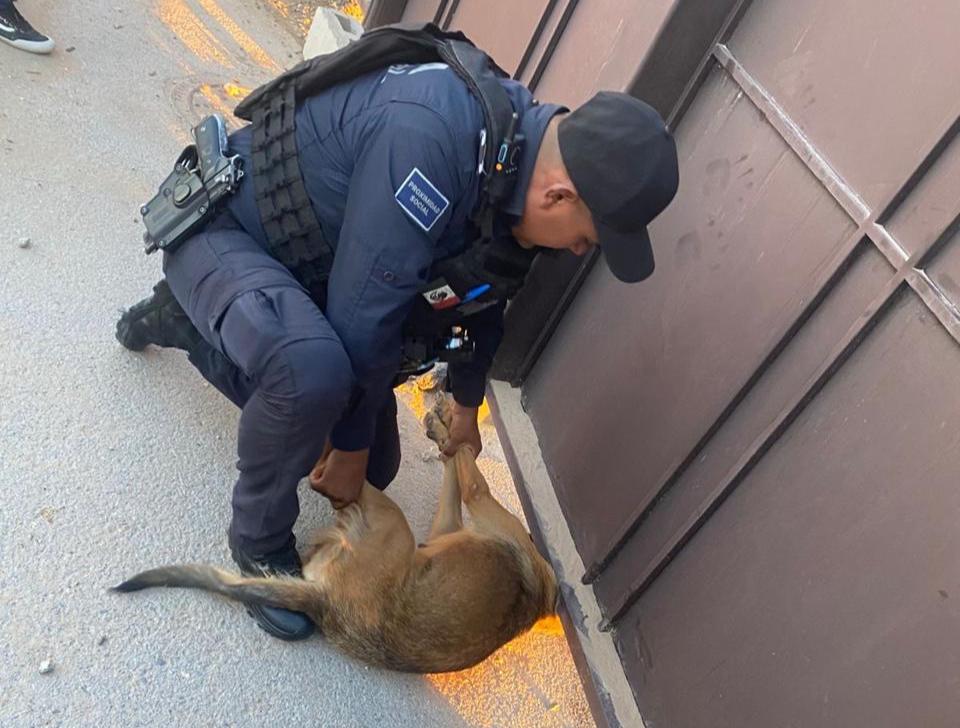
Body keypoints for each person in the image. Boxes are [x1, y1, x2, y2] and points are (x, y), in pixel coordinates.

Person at [116, 51, 679, 641]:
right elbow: (363, 319)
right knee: (314, 376)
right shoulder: (432, 137)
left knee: (376, 465)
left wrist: (465, 406)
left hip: (303, 282)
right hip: (225, 236)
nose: (579, 251)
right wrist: (348, 444)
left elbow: (482, 299)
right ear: (559, 196)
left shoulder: (513, 168)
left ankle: (203, 334)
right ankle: (257, 538)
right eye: (586, 238)